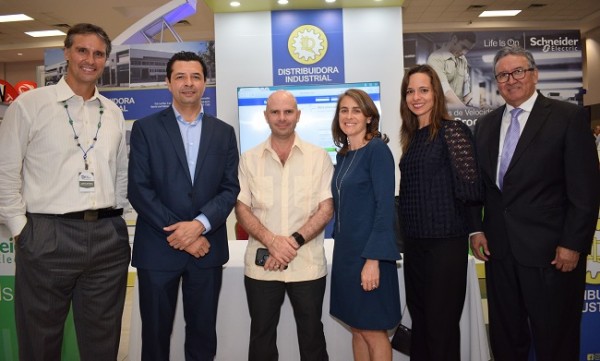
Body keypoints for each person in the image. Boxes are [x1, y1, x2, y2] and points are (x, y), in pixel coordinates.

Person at [0, 23, 130, 360]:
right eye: (82, 51)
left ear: (106, 61)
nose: (90, 59)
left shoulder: (112, 112)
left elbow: (119, 173)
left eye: (98, 53)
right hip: (47, 235)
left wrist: (117, 220)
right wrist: (21, 228)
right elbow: (5, 171)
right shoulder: (30, 106)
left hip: (106, 237)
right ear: (67, 53)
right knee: (40, 341)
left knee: (103, 343)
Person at [469, 46, 600, 361]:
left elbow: (585, 190)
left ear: (534, 74)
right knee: (506, 337)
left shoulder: (567, 118)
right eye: (503, 75)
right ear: (496, 81)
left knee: (555, 338)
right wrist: (475, 229)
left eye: (518, 72)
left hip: (552, 256)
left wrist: (572, 244)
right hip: (500, 255)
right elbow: (480, 187)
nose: (511, 80)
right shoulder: (485, 126)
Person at [127, 51, 240, 361]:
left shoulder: (224, 132)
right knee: (154, 336)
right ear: (168, 82)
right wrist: (183, 234)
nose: (188, 83)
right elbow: (139, 189)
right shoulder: (146, 129)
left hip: (207, 249)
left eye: (196, 77)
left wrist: (199, 226)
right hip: (159, 249)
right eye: (180, 77)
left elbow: (230, 188)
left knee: (203, 335)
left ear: (205, 83)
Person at [235, 90, 333, 361]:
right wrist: (272, 242)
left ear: (298, 115)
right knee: (262, 340)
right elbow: (242, 208)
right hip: (263, 267)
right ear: (266, 116)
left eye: (288, 112)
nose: (282, 118)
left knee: (313, 339)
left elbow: (326, 209)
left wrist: (291, 243)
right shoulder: (249, 159)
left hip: (307, 265)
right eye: (275, 112)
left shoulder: (319, 157)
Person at [398, 64, 482, 360]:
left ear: (436, 93)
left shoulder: (453, 131)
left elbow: (471, 187)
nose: (416, 97)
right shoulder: (411, 138)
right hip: (416, 246)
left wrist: (475, 229)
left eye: (423, 90)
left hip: (445, 245)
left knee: (440, 329)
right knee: (421, 326)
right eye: (410, 91)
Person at [329, 89, 401, 361]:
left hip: (370, 255)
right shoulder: (344, 155)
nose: (349, 116)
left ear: (369, 117)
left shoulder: (377, 150)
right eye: (344, 110)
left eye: (356, 110)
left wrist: (373, 259)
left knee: (373, 331)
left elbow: (384, 209)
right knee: (357, 328)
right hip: (347, 255)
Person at [427, 32, 477, 108]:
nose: (464, 52)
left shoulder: (463, 60)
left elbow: (466, 89)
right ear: (454, 39)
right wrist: (465, 111)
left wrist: (472, 102)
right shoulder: (435, 58)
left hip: (458, 112)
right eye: (463, 47)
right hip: (442, 112)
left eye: (467, 50)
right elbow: (445, 91)